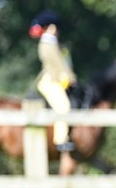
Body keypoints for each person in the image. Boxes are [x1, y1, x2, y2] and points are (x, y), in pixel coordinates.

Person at [28, 10, 78, 152]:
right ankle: (60, 140)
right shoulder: (48, 44)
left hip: (56, 79)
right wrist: (69, 77)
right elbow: (57, 64)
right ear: (50, 27)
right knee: (63, 107)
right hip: (51, 80)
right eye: (54, 27)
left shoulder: (53, 44)